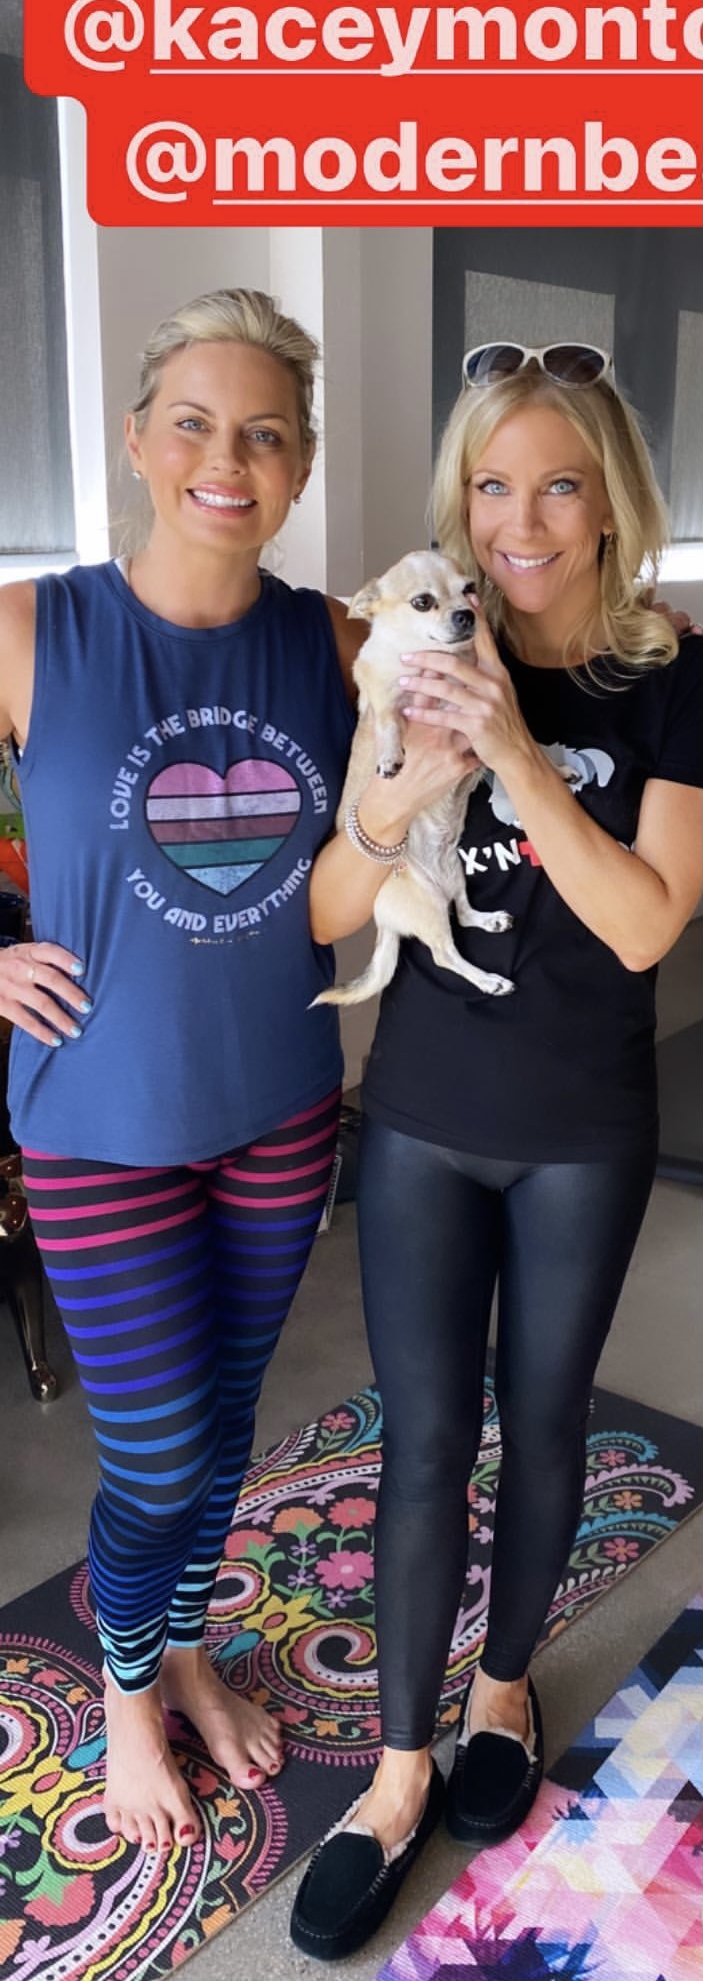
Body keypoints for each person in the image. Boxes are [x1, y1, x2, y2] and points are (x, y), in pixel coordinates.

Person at [290, 341, 703, 1962]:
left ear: (609, 506)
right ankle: (397, 1774)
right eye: (491, 485)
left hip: (583, 1131)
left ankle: (504, 1690)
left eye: (558, 485)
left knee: (544, 1433)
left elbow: (647, 921)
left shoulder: (672, 678)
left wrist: (522, 758)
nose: (519, 521)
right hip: (421, 1119)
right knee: (421, 1446)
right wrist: (405, 782)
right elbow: (332, 907)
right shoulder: (413, 645)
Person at [0, 288, 364, 1855]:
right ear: (141, 441)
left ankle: (187, 1649)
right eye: (198, 424)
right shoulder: (33, 628)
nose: (231, 458)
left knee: (221, 1426)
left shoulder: (331, 641)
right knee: (153, 1450)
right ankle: (129, 1693)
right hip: (101, 1120)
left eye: (266, 433)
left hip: (282, 1105)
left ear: (300, 466)